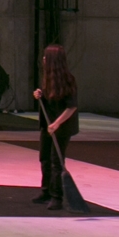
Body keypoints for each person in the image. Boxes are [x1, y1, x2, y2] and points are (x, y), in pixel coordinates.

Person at [32, 44, 79, 209]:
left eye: (46, 57)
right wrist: (39, 94)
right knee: (44, 158)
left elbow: (71, 107)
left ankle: (56, 196)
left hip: (62, 126)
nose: (44, 59)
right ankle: (46, 191)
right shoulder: (47, 77)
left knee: (56, 161)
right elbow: (48, 97)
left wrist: (57, 123)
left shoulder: (68, 80)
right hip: (48, 124)